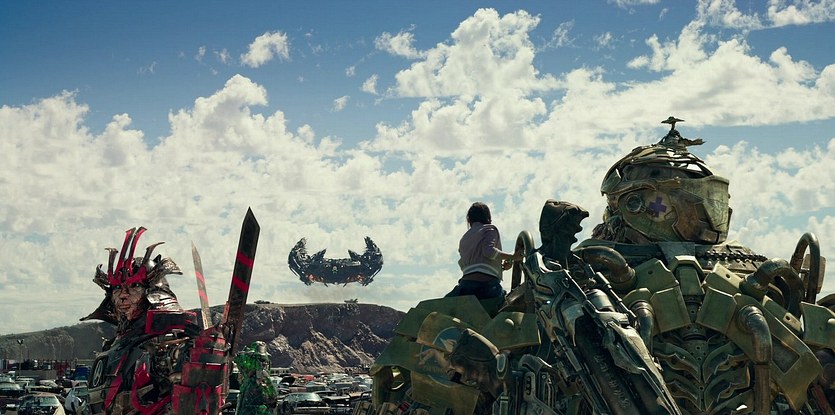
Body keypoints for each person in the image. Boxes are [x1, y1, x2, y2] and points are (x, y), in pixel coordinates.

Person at [80, 227, 229, 415]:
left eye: (134, 287)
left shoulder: (170, 341)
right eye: (117, 289)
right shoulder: (116, 344)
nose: (123, 296)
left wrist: (203, 350)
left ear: (153, 292)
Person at [446, 202, 521, 299]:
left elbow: (476, 266)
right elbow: (488, 252)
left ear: (469, 220)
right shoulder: (489, 229)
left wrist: (500, 268)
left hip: (465, 286)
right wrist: (513, 257)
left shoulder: (464, 238)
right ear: (488, 217)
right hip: (487, 286)